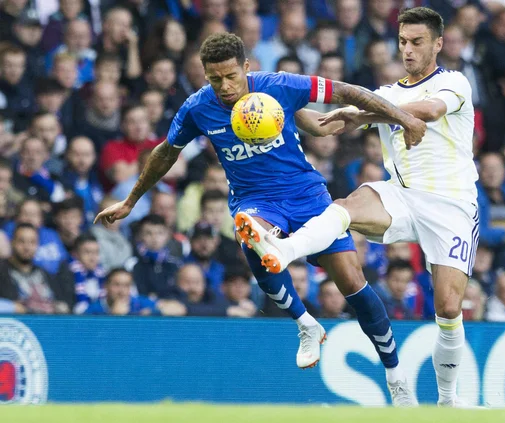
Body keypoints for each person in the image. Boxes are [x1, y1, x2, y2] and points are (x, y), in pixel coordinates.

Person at [95, 32, 425, 406]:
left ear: (246, 67)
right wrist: (130, 200)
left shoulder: (279, 86)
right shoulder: (196, 108)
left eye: (231, 76)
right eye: (214, 78)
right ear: (204, 75)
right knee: (248, 232)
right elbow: (165, 152)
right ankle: (305, 325)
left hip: (308, 197)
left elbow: (346, 91)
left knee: (353, 282)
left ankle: (396, 376)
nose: (224, 86)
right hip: (256, 201)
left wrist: (403, 118)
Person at [237, 7, 476, 407]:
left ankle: (447, 402)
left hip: (452, 205)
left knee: (449, 310)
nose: (408, 50)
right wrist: (277, 107)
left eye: (417, 42)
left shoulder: (454, 82)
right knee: (345, 206)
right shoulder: (386, 94)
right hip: (403, 195)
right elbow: (327, 124)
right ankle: (283, 249)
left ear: (438, 43)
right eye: (402, 42)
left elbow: (432, 111)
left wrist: (369, 112)